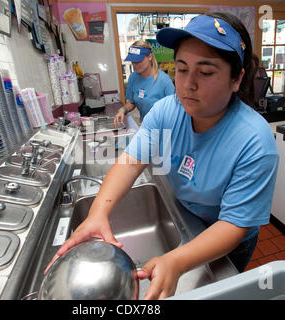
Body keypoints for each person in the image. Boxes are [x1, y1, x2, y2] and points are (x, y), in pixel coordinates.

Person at [46, 12, 279, 299]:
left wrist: (176, 261)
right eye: (181, 69)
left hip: (228, 234)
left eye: (205, 72)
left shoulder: (254, 141)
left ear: (236, 78)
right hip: (189, 216)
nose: (188, 84)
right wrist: (98, 212)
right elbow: (131, 162)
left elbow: (234, 224)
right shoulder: (168, 111)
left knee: (218, 289)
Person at [114, 40, 175, 127]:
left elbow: (173, 111)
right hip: (144, 127)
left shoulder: (164, 81)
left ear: (149, 56)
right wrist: (122, 110)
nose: (135, 65)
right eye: (133, 61)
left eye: (138, 61)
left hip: (164, 129)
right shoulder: (133, 78)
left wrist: (152, 122)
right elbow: (131, 103)